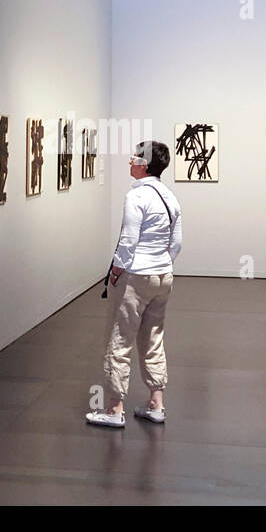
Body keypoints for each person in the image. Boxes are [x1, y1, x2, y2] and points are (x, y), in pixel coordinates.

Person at [86, 140, 183, 428]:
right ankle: (156, 403)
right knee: (153, 338)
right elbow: (176, 243)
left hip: (135, 277)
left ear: (143, 164)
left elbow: (127, 242)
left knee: (120, 339)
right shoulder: (170, 197)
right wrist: (162, 263)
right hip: (163, 276)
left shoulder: (137, 197)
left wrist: (116, 273)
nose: (129, 161)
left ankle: (115, 409)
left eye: (134, 157)